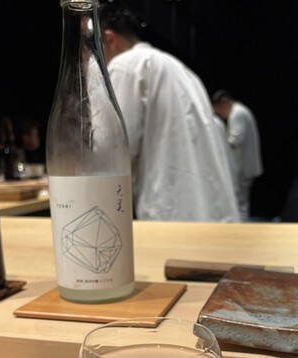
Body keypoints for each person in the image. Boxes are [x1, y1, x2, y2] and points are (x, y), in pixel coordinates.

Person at [98, 2, 239, 222]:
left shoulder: (125, 66)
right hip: (209, 212)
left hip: (171, 215)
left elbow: (111, 154)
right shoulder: (180, 69)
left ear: (109, 39)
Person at [211, 90, 263, 219]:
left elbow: (236, 140)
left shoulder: (237, 114)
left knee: (240, 201)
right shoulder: (239, 111)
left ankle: (241, 226)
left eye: (219, 111)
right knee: (241, 200)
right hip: (244, 164)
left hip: (242, 166)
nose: (220, 115)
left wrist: (219, 143)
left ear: (224, 103)